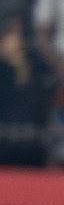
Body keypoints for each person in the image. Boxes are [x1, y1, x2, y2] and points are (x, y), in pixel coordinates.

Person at [0, 13, 55, 166]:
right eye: (10, 33)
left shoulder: (33, 60)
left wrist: (21, 68)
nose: (15, 40)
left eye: (18, 33)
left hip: (30, 141)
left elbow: (46, 90)